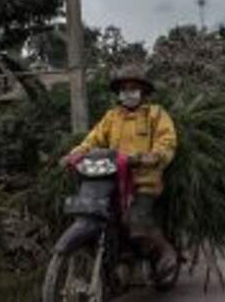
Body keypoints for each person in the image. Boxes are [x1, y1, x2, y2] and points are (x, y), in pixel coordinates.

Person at [60, 64, 178, 279]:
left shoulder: (156, 114)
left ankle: (165, 251)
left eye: (134, 88)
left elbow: (167, 140)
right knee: (100, 214)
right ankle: (118, 257)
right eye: (124, 89)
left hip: (144, 181)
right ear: (119, 94)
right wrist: (74, 155)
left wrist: (155, 155)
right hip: (112, 180)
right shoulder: (112, 117)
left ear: (143, 92)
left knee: (136, 221)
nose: (128, 93)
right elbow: (92, 140)